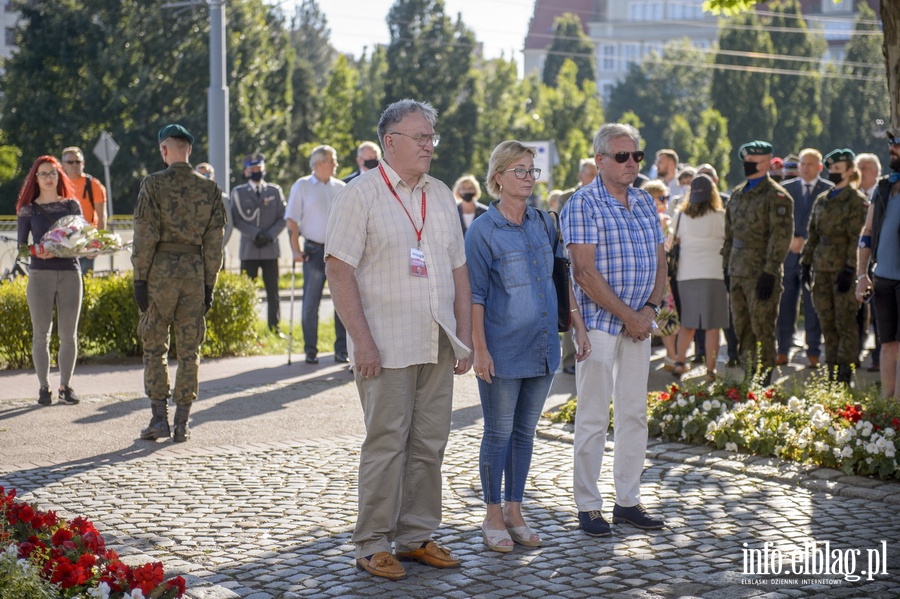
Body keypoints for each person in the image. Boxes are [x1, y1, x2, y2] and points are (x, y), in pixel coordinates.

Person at [325, 99, 473, 580]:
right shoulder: (359, 195)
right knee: (387, 443)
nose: (430, 144)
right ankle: (371, 543)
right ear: (391, 142)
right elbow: (338, 270)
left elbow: (459, 269)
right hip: (384, 345)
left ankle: (415, 536)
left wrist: (464, 335)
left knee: (429, 443)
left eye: (432, 136)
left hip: (438, 340)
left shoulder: (442, 194)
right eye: (420, 137)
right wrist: (361, 341)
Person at [466, 140, 589, 553]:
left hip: (543, 347)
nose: (528, 178)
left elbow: (562, 279)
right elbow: (475, 296)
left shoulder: (544, 222)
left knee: (524, 434)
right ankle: (492, 513)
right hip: (501, 349)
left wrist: (578, 327)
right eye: (519, 170)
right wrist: (479, 349)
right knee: (498, 433)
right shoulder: (483, 230)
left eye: (532, 170)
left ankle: (515, 511)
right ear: (497, 177)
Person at [560, 123, 667, 537]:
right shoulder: (581, 203)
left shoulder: (643, 201)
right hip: (602, 327)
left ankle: (628, 502)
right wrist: (629, 315)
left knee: (634, 414)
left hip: (638, 324)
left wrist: (650, 308)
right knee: (591, 417)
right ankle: (588, 506)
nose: (631, 164)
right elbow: (584, 273)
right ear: (600, 160)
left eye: (637, 156)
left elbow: (661, 261)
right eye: (622, 156)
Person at [132, 124, 225, 442]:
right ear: (190, 150)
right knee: (190, 350)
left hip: (160, 273)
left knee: (155, 347)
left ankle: (160, 419)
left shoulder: (153, 184)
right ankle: (183, 423)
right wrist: (209, 283)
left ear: (164, 150)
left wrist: (139, 277)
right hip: (194, 275)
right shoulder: (209, 189)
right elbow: (215, 243)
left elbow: (144, 234)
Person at [722, 141, 793, 385]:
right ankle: (748, 377)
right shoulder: (738, 193)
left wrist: (771, 271)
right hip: (737, 269)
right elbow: (730, 233)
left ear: (765, 162)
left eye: (752, 160)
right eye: (746, 159)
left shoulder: (777, 196)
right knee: (742, 328)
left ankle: (764, 381)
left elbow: (781, 236)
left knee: (762, 328)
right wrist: (726, 267)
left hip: (761, 271)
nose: (747, 163)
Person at [16, 156, 83, 406]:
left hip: (70, 273)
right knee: (40, 334)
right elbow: (21, 250)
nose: (48, 178)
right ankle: (44, 387)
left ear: (59, 176)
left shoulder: (72, 206)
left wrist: (63, 250)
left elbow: (81, 240)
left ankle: (66, 386)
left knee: (69, 335)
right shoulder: (28, 209)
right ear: (35, 178)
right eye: (43, 174)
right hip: (40, 276)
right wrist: (38, 251)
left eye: (52, 173)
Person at [800, 149, 867, 385]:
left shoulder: (856, 201)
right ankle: (831, 370)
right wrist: (805, 263)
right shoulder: (823, 199)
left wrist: (851, 269)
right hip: (822, 269)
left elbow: (857, 238)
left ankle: (845, 374)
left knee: (845, 322)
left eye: (838, 170)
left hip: (843, 271)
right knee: (826, 321)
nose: (833, 173)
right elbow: (814, 234)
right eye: (831, 169)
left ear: (850, 171)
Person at [285, 145, 348, 364]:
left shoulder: (340, 187)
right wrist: (295, 250)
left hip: (338, 252)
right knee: (311, 303)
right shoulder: (302, 186)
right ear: (320, 162)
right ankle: (310, 350)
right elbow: (291, 220)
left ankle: (342, 349)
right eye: (332, 160)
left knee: (342, 302)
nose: (336, 164)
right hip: (313, 251)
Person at [776, 148, 832, 369]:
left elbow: (829, 225)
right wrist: (791, 239)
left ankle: (813, 352)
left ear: (819, 167)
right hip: (789, 257)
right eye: (802, 163)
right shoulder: (785, 190)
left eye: (810, 164)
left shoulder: (828, 191)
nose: (805, 167)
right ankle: (782, 350)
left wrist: (807, 241)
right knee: (786, 304)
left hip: (815, 259)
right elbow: (778, 222)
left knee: (812, 306)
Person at [855, 131, 900, 398]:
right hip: (882, 278)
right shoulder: (884, 187)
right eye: (891, 144)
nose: (891, 148)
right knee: (887, 344)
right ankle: (887, 404)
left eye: (896, 145)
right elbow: (868, 231)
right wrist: (862, 275)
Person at [671, 174, 728, 381]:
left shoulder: (680, 216)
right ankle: (710, 370)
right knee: (712, 326)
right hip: (714, 273)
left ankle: (680, 362)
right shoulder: (720, 215)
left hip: (686, 274)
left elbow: (671, 242)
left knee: (688, 323)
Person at [231, 153, 287, 336]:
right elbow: (236, 219)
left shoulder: (274, 191)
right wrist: (256, 234)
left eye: (259, 168)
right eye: (252, 169)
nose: (256, 172)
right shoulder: (238, 193)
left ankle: (274, 328)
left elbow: (282, 217)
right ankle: (245, 329)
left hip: (270, 248)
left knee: (273, 293)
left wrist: (269, 235)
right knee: (246, 293)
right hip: (250, 248)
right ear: (246, 172)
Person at [559, 158, 597, 374]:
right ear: (580, 176)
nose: (593, 177)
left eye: (595, 173)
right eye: (589, 173)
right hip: (570, 256)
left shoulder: (602, 197)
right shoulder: (567, 197)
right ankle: (569, 360)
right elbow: (563, 228)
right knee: (571, 310)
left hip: (593, 259)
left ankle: (588, 356)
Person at [641, 179, 679, 371]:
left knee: (661, 315)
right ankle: (671, 357)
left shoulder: (642, 218)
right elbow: (668, 246)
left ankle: (670, 357)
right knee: (665, 315)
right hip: (658, 276)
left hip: (654, 276)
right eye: (662, 197)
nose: (665, 202)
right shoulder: (662, 220)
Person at [855, 153, 883, 371]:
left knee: (880, 317)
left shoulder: (885, 194)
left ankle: (877, 357)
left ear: (876, 171)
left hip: (881, 263)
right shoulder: (852, 197)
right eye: (858, 167)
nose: (860, 171)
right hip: (857, 265)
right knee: (857, 313)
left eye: (864, 167)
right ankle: (855, 353)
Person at [61, 146, 107, 273]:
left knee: (84, 281)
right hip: (63, 242)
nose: (75, 165)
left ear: (83, 163)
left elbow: (102, 215)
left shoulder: (93, 185)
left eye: (78, 161)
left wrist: (98, 242)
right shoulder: (58, 185)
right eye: (70, 162)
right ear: (63, 165)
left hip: (86, 243)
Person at [195, 162, 234, 247]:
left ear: (212, 176)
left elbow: (229, 225)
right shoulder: (189, 199)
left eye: (206, 175)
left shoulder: (222, 199)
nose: (202, 179)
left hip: (217, 250)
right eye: (198, 175)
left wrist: (219, 246)